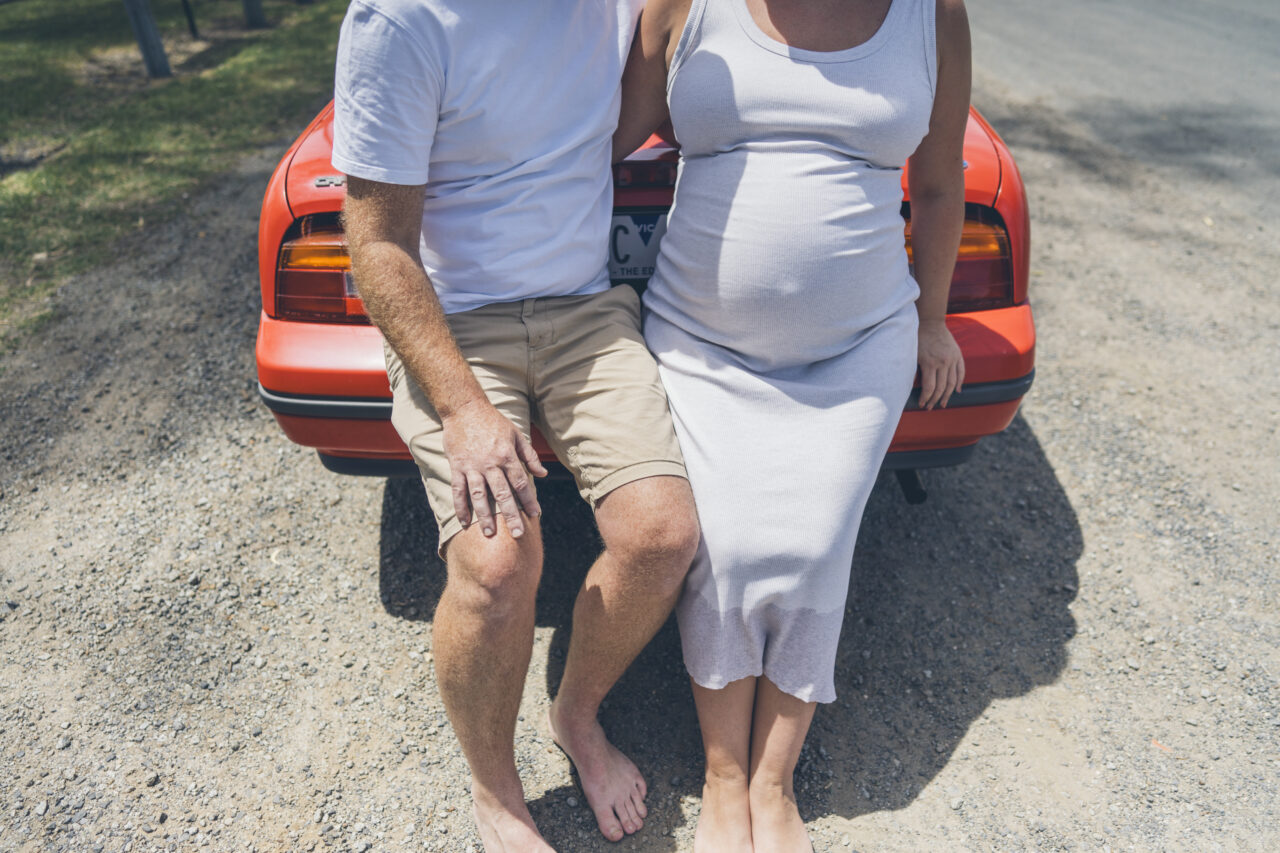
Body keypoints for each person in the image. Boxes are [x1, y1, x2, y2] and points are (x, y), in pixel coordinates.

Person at [332, 1, 701, 850]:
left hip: (584, 313)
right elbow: (378, 244)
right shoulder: (401, 21)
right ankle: (495, 792)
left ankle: (575, 714)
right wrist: (464, 409)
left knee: (661, 534)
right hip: (456, 323)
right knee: (497, 564)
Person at [614, 0, 970, 848]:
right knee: (724, 548)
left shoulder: (932, 14)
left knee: (815, 548)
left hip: (859, 347)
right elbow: (598, 136)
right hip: (701, 344)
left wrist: (933, 319)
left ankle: (773, 785)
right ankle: (723, 776)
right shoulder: (685, 5)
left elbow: (944, 176)